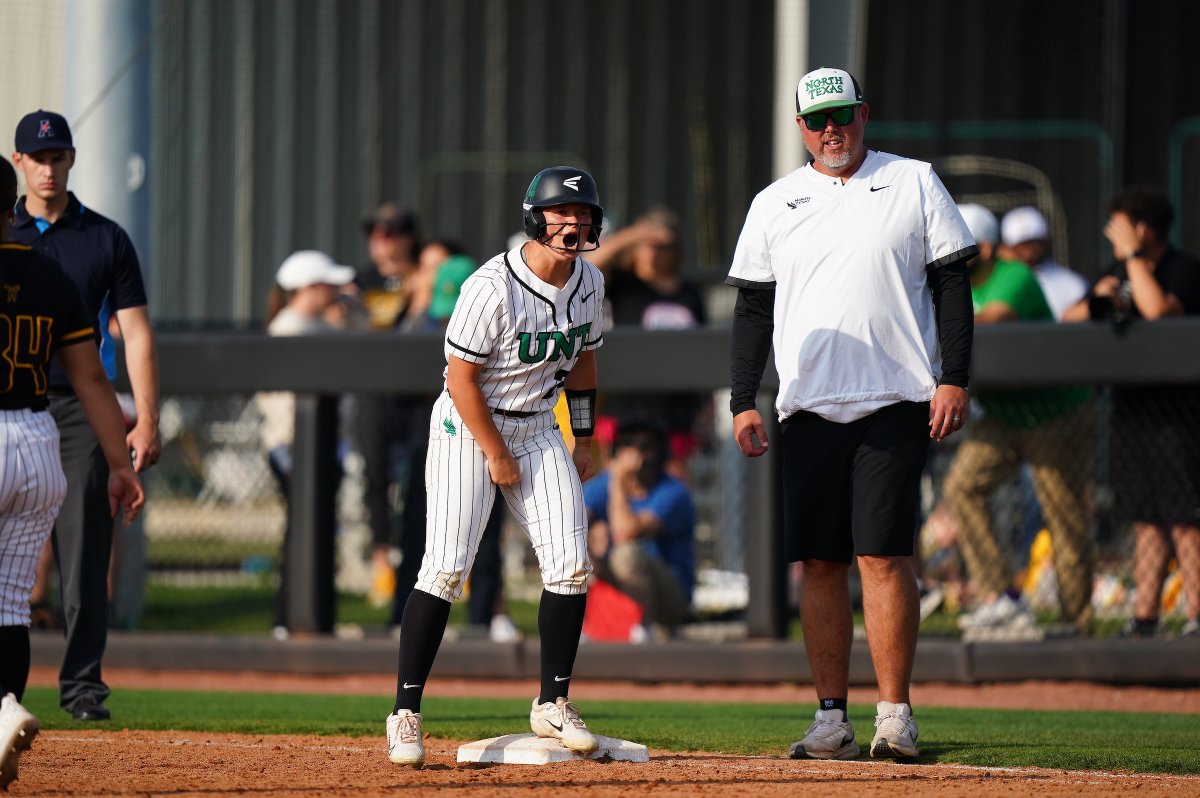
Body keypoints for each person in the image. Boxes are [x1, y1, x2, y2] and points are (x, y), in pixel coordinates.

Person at [727, 67, 975, 761]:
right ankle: (831, 718)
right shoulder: (775, 202)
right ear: (800, 128)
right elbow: (752, 309)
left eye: (844, 115)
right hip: (806, 405)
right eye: (817, 120)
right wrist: (743, 397)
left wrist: (954, 378)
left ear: (865, 114)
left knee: (884, 555)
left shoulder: (914, 180)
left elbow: (953, 284)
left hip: (896, 398)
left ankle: (894, 714)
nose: (832, 129)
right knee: (821, 563)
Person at [386, 165, 607, 767]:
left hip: (537, 421)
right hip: (470, 422)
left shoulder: (590, 281)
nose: (575, 223)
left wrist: (582, 437)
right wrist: (496, 453)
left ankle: (552, 702)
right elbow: (459, 379)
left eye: (583, 214)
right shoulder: (493, 286)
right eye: (564, 213)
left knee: (570, 563)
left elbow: (584, 361)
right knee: (445, 567)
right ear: (536, 217)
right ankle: (405, 711)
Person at [10, 109, 161, 722]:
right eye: (37, 158)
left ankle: (81, 688)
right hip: (13, 395)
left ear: (71, 159)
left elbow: (137, 335)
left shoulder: (104, 238)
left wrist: (146, 416)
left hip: (76, 403)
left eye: (57, 156)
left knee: (85, 552)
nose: (48, 168)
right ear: (18, 162)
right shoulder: (5, 235)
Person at [940, 204, 1095, 637]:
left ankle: (1075, 624)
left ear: (984, 248)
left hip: (1055, 414)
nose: (948, 254)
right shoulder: (950, 283)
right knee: (961, 488)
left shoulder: (1014, 276)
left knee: (1062, 515)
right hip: (1006, 416)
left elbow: (991, 320)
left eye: (959, 247)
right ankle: (1002, 597)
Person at [1063, 188, 1200, 638]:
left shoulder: (1183, 269)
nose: (1111, 235)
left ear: (1143, 229)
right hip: (1130, 409)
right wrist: (1101, 294)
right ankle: (1145, 618)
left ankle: (1197, 618)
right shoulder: (1116, 271)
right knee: (1146, 516)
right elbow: (1070, 319)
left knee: (1184, 516)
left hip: (1178, 412)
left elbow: (1158, 310)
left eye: (1120, 225)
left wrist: (1135, 256)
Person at [255, 250, 356, 634]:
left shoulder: (323, 326)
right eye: (328, 284)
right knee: (302, 533)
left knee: (320, 533)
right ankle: (287, 619)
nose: (336, 290)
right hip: (294, 449)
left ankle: (313, 617)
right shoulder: (289, 327)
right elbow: (279, 403)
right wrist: (292, 454)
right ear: (310, 288)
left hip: (327, 447)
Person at [589, 208, 708, 477]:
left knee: (673, 486)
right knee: (620, 483)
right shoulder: (624, 284)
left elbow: (702, 351)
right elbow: (586, 270)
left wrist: (707, 405)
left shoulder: (689, 293)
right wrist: (633, 234)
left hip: (676, 410)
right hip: (625, 405)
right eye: (647, 246)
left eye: (663, 246)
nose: (654, 253)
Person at [352, 204, 426, 611]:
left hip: (416, 395)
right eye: (376, 232)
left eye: (391, 232)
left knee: (420, 482)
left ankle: (422, 566)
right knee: (375, 476)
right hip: (373, 393)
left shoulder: (423, 276)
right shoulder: (361, 280)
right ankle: (382, 558)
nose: (381, 241)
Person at [582, 417, 695, 637]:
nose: (635, 454)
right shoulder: (602, 483)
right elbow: (569, 524)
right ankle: (581, 630)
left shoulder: (673, 491)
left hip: (669, 595)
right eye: (628, 445)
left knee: (626, 555)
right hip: (619, 582)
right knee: (573, 556)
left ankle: (642, 629)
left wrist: (618, 480)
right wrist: (588, 548)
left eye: (644, 447)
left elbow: (626, 533)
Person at [999, 206, 1087, 321]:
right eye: (1022, 245)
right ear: (1005, 248)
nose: (1029, 252)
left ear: (1047, 242)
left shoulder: (1073, 285)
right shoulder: (993, 282)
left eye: (1034, 243)